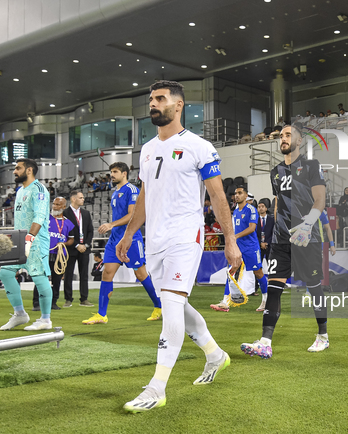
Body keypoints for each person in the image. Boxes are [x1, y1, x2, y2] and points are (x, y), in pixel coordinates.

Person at [116, 80, 241, 413]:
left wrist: (230, 239)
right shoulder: (146, 149)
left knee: (170, 306)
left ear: (178, 105)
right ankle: (216, 356)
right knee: (178, 308)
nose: (153, 104)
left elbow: (217, 196)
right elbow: (145, 195)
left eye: (160, 99)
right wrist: (129, 234)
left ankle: (156, 388)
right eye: (151, 99)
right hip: (154, 240)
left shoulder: (200, 147)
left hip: (186, 238)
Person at [240, 123, 328, 358]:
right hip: (282, 239)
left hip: (307, 237)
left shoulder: (311, 166)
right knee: (275, 289)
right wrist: (275, 232)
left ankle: (323, 336)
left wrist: (308, 224)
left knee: (314, 287)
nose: (283, 139)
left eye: (288, 135)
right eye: (281, 136)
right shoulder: (275, 171)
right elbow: (278, 202)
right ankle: (265, 342)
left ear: (299, 141)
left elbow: (320, 200)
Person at [82, 162, 162, 325]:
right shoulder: (115, 192)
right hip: (114, 240)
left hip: (131, 239)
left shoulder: (132, 190)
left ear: (124, 173)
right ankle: (101, 314)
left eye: (115, 172)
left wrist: (111, 224)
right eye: (111, 172)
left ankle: (159, 305)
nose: (112, 175)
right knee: (107, 273)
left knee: (141, 275)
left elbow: (133, 215)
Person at [0, 158, 54, 331]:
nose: (14, 171)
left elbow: (39, 216)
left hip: (35, 241)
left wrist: (30, 237)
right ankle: (20, 314)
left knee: (39, 277)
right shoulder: (21, 190)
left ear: (29, 170)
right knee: (5, 272)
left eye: (18, 168)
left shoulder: (39, 189)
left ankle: (46, 319)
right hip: (18, 240)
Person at [210, 186, 268, 313]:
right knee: (230, 271)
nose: (237, 195)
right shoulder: (236, 211)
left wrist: (235, 236)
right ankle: (225, 302)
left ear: (246, 196)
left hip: (251, 247)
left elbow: (252, 228)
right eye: (236, 193)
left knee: (258, 273)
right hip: (238, 246)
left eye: (240, 193)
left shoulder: (251, 209)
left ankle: (266, 300)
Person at [32, 197, 76, 311]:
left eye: (58, 205)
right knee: (41, 278)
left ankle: (53, 302)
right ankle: (36, 303)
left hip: (59, 255)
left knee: (56, 280)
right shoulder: (45, 219)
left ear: (64, 207)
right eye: (54, 204)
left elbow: (71, 240)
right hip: (45, 254)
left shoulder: (68, 223)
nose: (54, 206)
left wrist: (64, 243)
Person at [63, 190, 94, 307]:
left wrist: (85, 244)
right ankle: (68, 299)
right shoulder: (65, 213)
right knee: (68, 274)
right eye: (81, 197)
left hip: (84, 249)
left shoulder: (85, 213)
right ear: (73, 199)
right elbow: (64, 232)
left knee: (84, 274)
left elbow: (90, 230)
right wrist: (76, 244)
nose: (83, 199)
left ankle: (84, 299)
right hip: (71, 248)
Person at [256, 198, 274, 263]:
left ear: (266, 208)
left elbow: (273, 233)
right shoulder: (255, 221)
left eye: (262, 206)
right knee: (258, 265)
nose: (261, 208)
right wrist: (260, 243)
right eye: (259, 207)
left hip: (269, 246)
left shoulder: (271, 220)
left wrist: (267, 243)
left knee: (270, 264)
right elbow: (254, 234)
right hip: (258, 246)